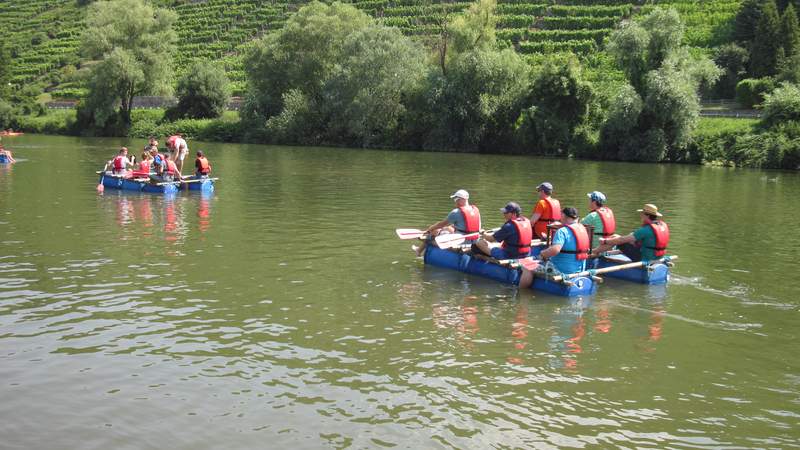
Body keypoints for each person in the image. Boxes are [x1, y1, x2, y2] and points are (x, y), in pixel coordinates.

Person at [591, 203, 670, 262]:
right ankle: (597, 251)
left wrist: (605, 241)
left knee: (618, 241)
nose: (641, 215)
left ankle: (593, 252)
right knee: (615, 236)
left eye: (642, 213)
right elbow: (632, 237)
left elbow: (622, 240)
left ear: (647, 216)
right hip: (657, 257)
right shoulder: (661, 226)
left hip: (645, 258)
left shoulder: (646, 230)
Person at [414, 189, 481, 257]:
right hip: (475, 241)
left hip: (461, 242)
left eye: (456, 199)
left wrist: (430, 228)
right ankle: (419, 250)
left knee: (434, 232)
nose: (455, 202)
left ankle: (419, 250)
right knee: (447, 229)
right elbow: (468, 227)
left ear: (460, 199)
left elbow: (440, 224)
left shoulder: (456, 212)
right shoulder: (476, 210)